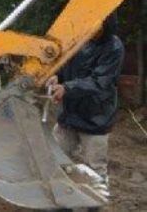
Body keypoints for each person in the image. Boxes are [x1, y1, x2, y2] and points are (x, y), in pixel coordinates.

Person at [46, 14, 123, 193]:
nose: (91, 31)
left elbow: (100, 82)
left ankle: (93, 204)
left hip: (95, 117)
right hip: (70, 115)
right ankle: (59, 198)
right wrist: (58, 77)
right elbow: (67, 68)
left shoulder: (114, 47)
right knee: (55, 157)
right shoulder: (78, 40)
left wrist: (67, 88)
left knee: (95, 170)